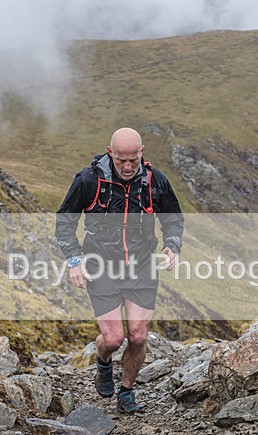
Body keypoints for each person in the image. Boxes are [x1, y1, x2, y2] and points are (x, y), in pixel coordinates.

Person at [56, 127, 184, 413]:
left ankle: (126, 392)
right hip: (100, 265)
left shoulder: (155, 181)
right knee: (113, 339)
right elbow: (65, 222)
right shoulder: (88, 180)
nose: (127, 167)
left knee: (138, 335)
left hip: (142, 266)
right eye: (121, 160)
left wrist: (172, 245)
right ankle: (103, 361)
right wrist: (74, 261)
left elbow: (173, 219)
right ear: (109, 152)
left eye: (133, 161)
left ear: (142, 153)